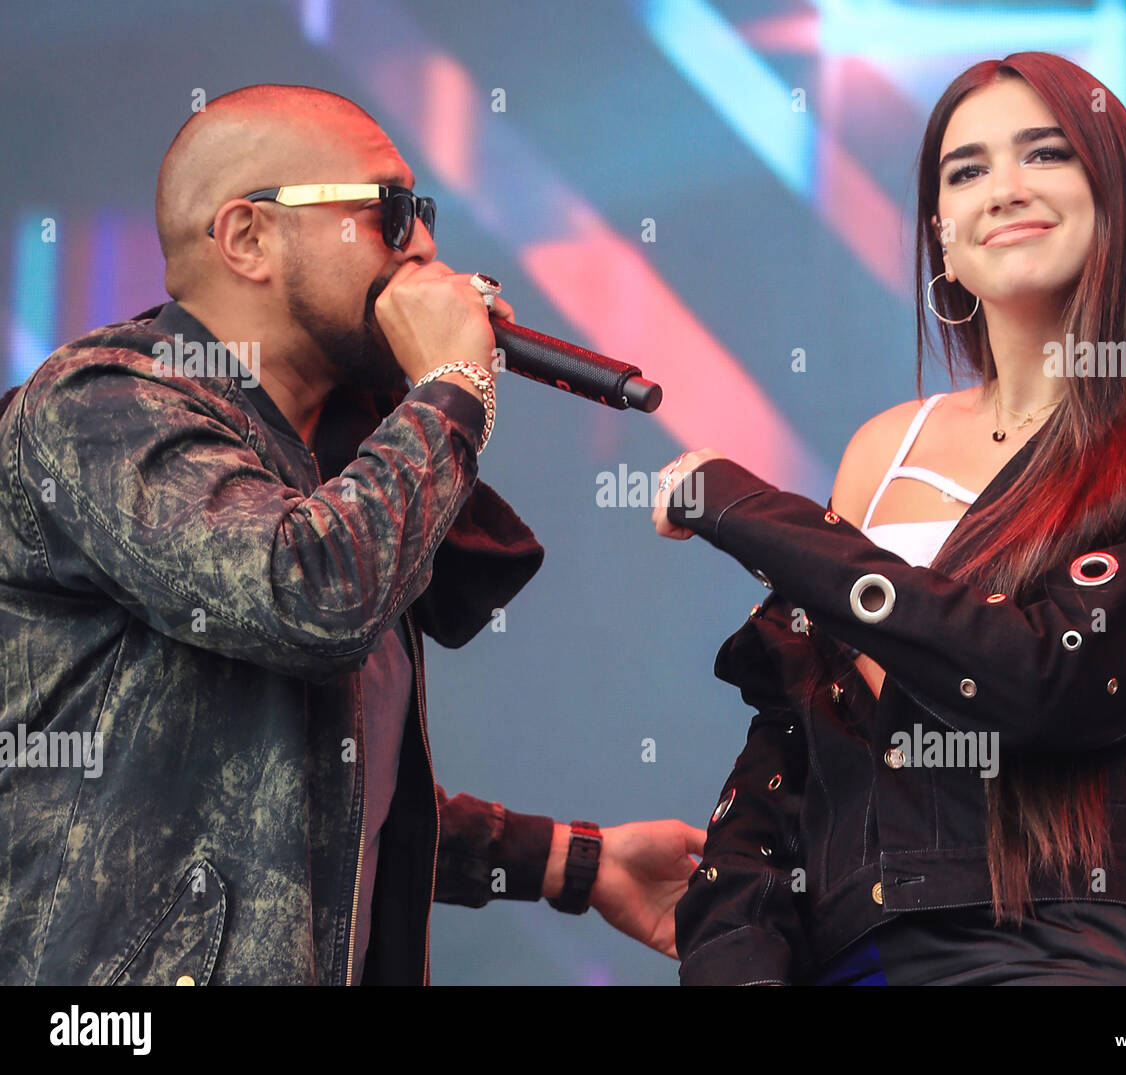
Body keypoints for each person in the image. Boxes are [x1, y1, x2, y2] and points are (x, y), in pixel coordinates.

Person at [0, 84, 704, 986]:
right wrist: (451, 384)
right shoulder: (100, 404)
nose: (424, 244)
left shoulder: (329, 466)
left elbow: (326, 807)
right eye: (389, 211)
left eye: (424, 211)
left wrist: (575, 860)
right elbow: (307, 597)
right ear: (248, 238)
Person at [651, 52, 1126, 986]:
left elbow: (1038, 678)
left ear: (1119, 199)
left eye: (1047, 154)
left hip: (1071, 953)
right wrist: (735, 949)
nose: (1005, 190)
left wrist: (751, 515)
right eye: (966, 170)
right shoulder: (880, 452)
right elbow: (790, 754)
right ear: (940, 236)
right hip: (848, 952)